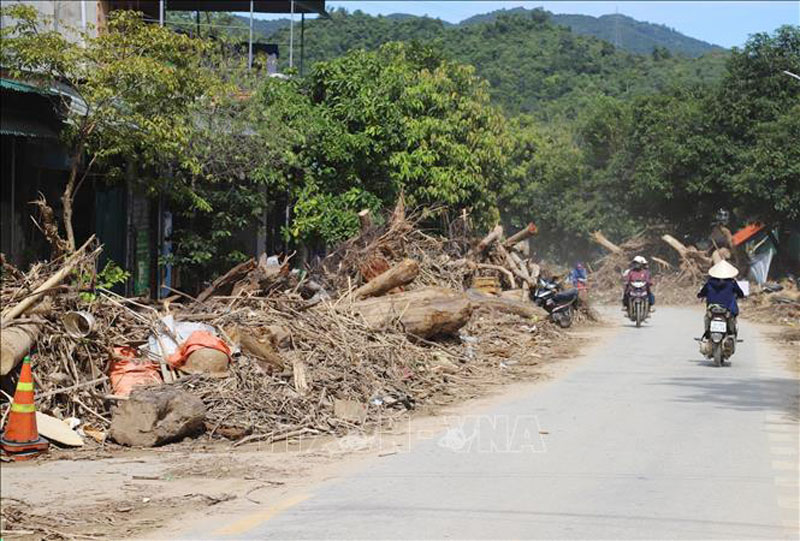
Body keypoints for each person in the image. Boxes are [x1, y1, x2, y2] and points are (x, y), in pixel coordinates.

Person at [697, 259, 744, 338]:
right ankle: (730, 333)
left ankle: (707, 333)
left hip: (712, 308)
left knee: (707, 317)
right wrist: (740, 295)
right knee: (732, 318)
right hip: (727, 308)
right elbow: (740, 293)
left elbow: (702, 293)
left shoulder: (709, 282)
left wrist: (700, 295)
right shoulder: (732, 283)